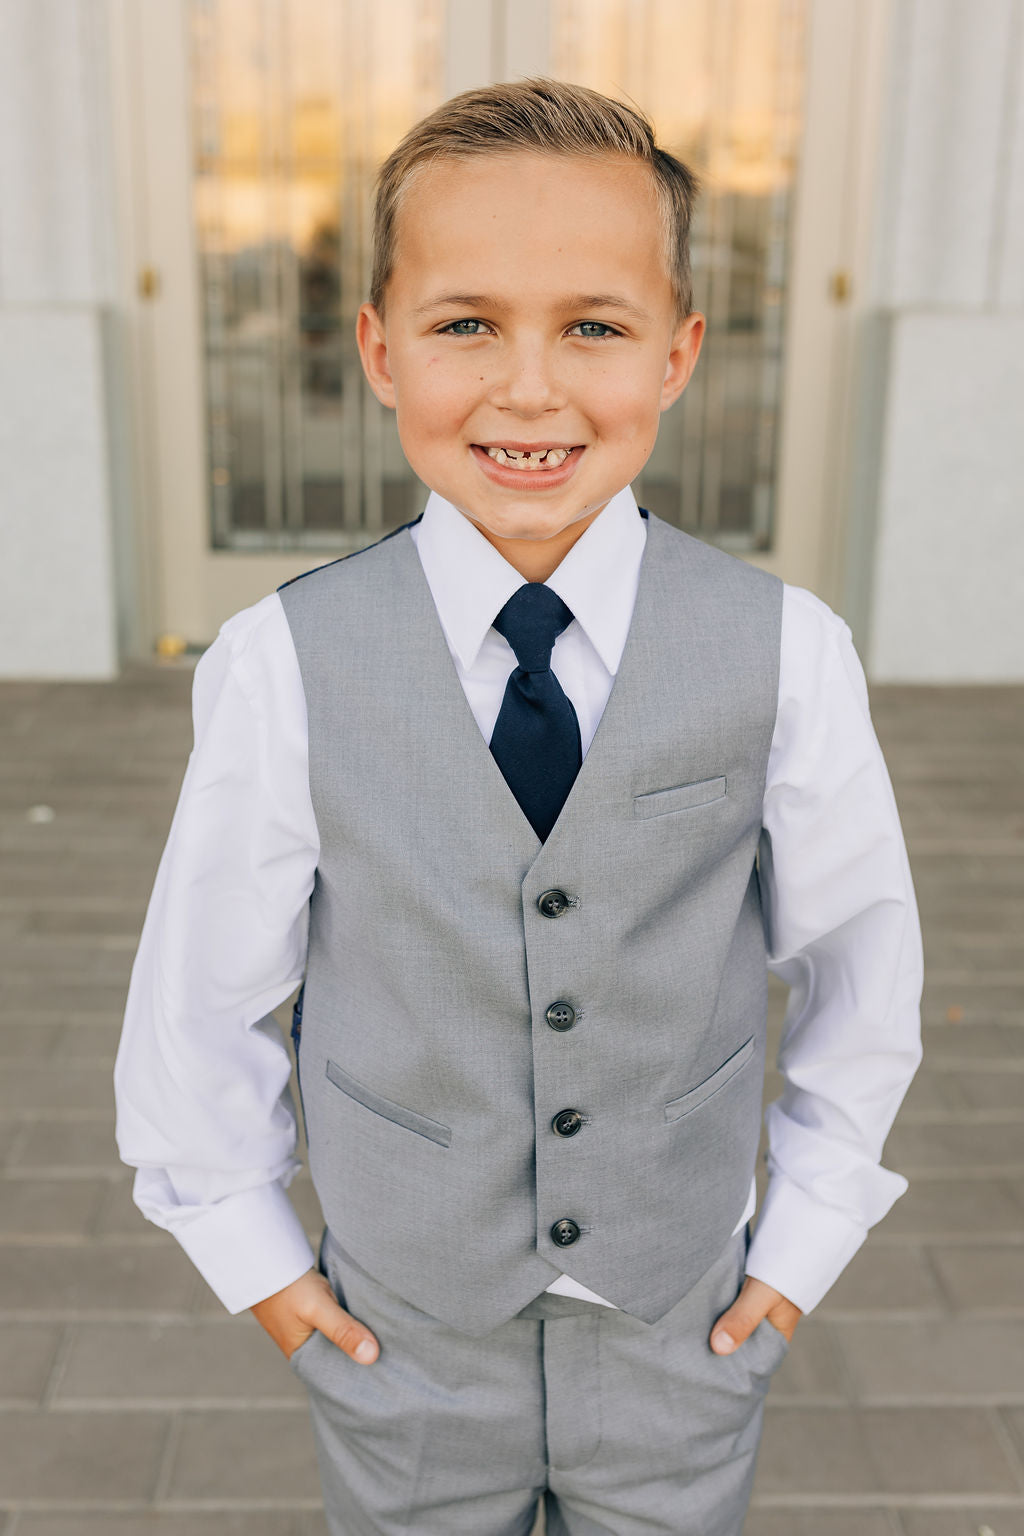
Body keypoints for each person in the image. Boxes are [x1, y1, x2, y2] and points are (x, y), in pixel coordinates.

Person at [114, 78, 923, 1536]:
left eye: (594, 327)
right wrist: (265, 1274)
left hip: (686, 1330)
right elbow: (198, 999)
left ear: (677, 354)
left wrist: (797, 1253)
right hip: (404, 1345)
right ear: (378, 347)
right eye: (466, 323)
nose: (531, 388)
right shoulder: (281, 664)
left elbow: (861, 969)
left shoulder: (783, 647)